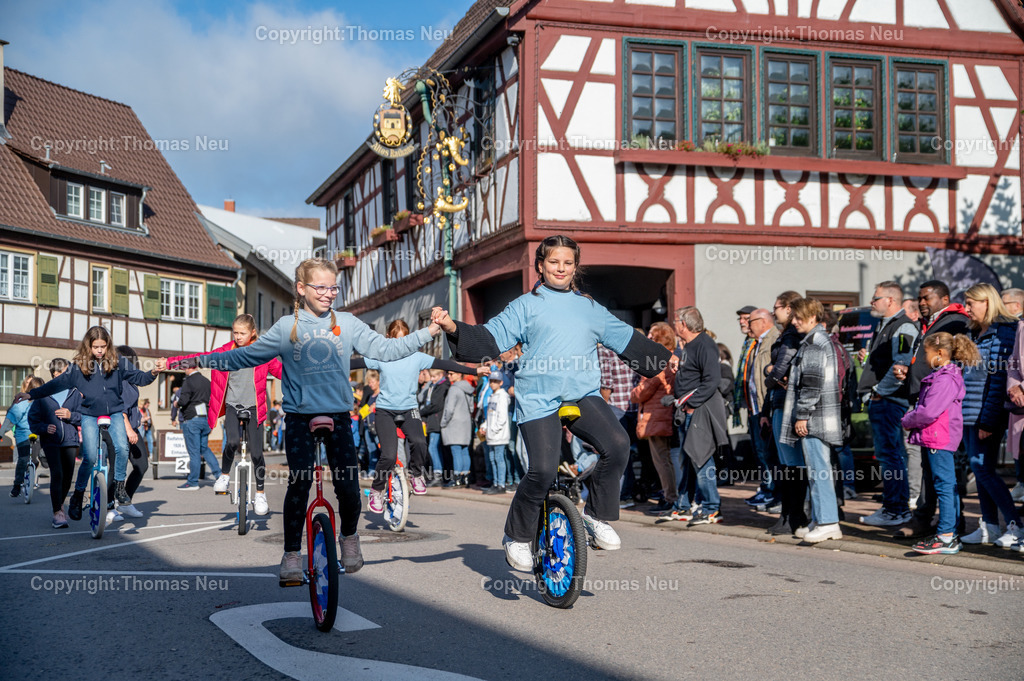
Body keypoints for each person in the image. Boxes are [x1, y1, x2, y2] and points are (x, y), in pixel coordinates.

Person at [188, 258, 442, 583]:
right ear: (302, 288)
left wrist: (430, 331)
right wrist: (193, 360)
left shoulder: (347, 323)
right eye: (320, 287)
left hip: (337, 415)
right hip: (298, 416)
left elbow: (389, 349)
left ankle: (349, 536)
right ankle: (292, 554)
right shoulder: (284, 328)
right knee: (300, 483)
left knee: (349, 487)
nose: (328, 294)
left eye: (333, 287)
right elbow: (241, 356)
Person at [432, 235, 670, 571]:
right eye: (554, 262)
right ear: (541, 266)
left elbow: (625, 338)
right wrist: (453, 326)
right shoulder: (525, 306)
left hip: (583, 395)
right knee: (542, 470)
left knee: (618, 444)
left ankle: (596, 515)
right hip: (538, 399)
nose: (561, 268)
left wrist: (664, 359)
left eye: (568, 262)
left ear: (575, 268)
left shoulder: (589, 307)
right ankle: (516, 536)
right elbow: (490, 337)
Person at [22, 325, 160, 507]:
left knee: (122, 449)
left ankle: (119, 487)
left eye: (103, 346)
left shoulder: (118, 362)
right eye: (96, 347)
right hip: (89, 415)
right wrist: (31, 394)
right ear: (89, 346)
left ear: (108, 345)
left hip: (115, 413)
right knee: (90, 457)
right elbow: (56, 384)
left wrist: (154, 372)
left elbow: (140, 378)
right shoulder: (79, 367)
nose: (100, 351)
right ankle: (78, 494)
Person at [352, 319, 480, 508]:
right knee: (388, 455)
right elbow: (357, 362)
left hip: (409, 409)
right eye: (396, 340)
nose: (400, 345)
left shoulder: (417, 357)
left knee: (420, 443)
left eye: (404, 340)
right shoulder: (382, 355)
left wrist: (475, 370)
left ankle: (416, 475)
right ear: (388, 338)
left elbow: (445, 364)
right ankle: (377, 490)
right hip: (385, 411)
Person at [168, 314, 282, 515]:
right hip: (232, 405)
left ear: (252, 333)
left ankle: (261, 494)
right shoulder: (224, 352)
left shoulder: (264, 353)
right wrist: (170, 364)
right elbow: (197, 359)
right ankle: (224, 475)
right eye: (235, 332)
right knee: (231, 442)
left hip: (254, 407)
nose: (238, 337)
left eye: (242, 333)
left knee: (256, 453)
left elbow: (284, 371)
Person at [895, 280, 971, 539]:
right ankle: (929, 521)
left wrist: (912, 417)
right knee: (932, 472)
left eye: (927, 298)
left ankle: (950, 528)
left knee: (946, 477)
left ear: (944, 298)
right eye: (920, 298)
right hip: (925, 405)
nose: (922, 303)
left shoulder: (954, 322)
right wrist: (908, 372)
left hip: (940, 415)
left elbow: (952, 367)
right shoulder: (928, 323)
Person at [902, 333, 977, 554]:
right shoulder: (945, 375)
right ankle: (948, 534)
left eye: (926, 352)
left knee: (944, 486)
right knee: (945, 485)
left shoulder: (945, 378)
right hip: (937, 436)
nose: (924, 357)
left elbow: (928, 411)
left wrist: (907, 420)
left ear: (940, 353)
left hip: (938, 437)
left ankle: (946, 536)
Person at [959, 283, 1021, 548]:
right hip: (968, 412)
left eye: (972, 303)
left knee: (981, 467)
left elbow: (998, 382)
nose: (967, 308)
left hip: (986, 414)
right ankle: (990, 526)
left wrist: (988, 420)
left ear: (988, 302)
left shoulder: (1004, 332)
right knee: (979, 468)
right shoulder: (974, 332)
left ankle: (1016, 524)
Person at [779, 298, 843, 543]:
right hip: (819, 417)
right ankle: (821, 519)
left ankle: (828, 522)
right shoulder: (815, 341)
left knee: (819, 471)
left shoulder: (815, 343)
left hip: (816, 419)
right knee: (817, 471)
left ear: (813, 317)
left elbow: (811, 384)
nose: (794, 321)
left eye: (798, 317)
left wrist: (802, 414)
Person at [856, 282, 919, 527]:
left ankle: (896, 509)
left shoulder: (902, 325)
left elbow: (900, 365)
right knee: (890, 456)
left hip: (890, 401)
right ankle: (894, 507)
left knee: (891, 456)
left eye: (876, 298)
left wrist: (878, 392)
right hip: (885, 400)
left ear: (890, 300)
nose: (873, 303)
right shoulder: (887, 324)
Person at [667, 306, 730, 526]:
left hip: (699, 411)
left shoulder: (705, 344)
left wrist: (692, 404)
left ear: (684, 324)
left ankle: (712, 508)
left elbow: (712, 381)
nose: (674, 325)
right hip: (686, 411)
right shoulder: (688, 345)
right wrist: (676, 357)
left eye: (676, 321)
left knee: (702, 459)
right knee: (687, 460)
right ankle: (684, 506)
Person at [761, 291, 805, 534]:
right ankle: (788, 514)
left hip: (787, 402)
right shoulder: (786, 334)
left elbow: (779, 371)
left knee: (791, 463)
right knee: (785, 463)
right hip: (779, 402)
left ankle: (793, 516)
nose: (773, 311)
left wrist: (770, 374)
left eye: (776, 307)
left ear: (789, 308)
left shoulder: (790, 335)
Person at [27, 359, 82, 527]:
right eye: (64, 373)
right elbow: (33, 420)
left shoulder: (75, 392)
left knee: (67, 477)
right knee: (57, 474)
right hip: (51, 442)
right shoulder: (44, 394)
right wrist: (44, 428)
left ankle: (60, 506)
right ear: (55, 375)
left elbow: (84, 416)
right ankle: (57, 512)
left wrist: (70, 415)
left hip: (71, 441)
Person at [632, 322, 678, 515]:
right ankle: (669, 495)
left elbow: (643, 392)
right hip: (662, 414)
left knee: (662, 460)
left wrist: (633, 393)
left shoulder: (660, 359)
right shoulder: (670, 358)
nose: (648, 338)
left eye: (652, 335)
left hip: (657, 416)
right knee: (665, 459)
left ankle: (670, 498)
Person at [102, 346, 151, 521]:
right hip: (117, 427)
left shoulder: (130, 379)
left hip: (132, 427)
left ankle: (125, 501)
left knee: (141, 465)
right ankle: (108, 507)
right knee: (115, 468)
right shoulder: (117, 378)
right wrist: (129, 429)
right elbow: (118, 407)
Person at [744, 308, 780, 510]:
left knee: (771, 454)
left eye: (751, 321)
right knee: (762, 453)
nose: (748, 325)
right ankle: (768, 490)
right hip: (756, 407)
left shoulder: (774, 339)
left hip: (767, 407)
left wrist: (766, 409)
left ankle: (774, 492)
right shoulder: (756, 343)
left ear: (763, 321)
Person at [173, 359, 222, 490]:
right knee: (204, 448)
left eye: (184, 368)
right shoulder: (207, 382)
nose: (184, 370)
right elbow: (214, 400)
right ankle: (219, 475)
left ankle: (193, 482)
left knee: (194, 452)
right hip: (205, 419)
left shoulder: (188, 381)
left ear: (189, 368)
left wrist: (176, 404)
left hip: (192, 419)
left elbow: (183, 400)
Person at [3, 375, 44, 498]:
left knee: (35, 460)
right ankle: (17, 485)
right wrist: (1, 433)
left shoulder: (44, 403)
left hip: (37, 434)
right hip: (23, 435)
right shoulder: (22, 403)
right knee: (23, 458)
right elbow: (10, 419)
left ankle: (31, 473)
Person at [440, 370, 475, 487]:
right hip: (466, 422)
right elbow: (471, 407)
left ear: (459, 374)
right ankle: (465, 477)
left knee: (456, 451)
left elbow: (449, 409)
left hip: (454, 423)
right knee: (464, 450)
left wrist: (443, 422)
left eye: (451, 374)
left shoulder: (454, 389)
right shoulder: (468, 388)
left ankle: (456, 479)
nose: (449, 376)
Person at [483, 370, 511, 494]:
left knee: (499, 458)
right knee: (492, 458)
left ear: (501, 382)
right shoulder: (491, 397)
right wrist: (485, 426)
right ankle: (495, 483)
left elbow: (502, 417)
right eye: (491, 381)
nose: (493, 384)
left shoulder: (502, 396)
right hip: (491, 434)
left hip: (499, 434)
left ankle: (501, 484)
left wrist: (494, 429)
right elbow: (489, 415)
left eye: (495, 381)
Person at [419, 368, 450, 483]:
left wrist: (421, 412)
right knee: (432, 448)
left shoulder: (443, 386)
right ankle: (436, 472)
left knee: (433, 447)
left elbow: (436, 405)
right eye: (431, 377)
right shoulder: (432, 386)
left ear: (441, 375)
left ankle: (438, 474)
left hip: (437, 421)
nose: (432, 379)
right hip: (430, 421)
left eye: (434, 377)